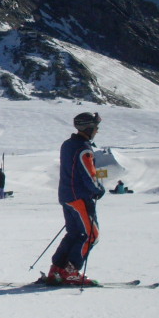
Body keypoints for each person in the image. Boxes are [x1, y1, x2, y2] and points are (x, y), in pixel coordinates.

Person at [47, 112, 104, 286]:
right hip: (80, 197)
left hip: (66, 196)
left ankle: (57, 269)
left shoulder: (68, 145)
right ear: (88, 128)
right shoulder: (84, 149)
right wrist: (97, 190)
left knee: (74, 233)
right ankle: (70, 271)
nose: (97, 131)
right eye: (95, 127)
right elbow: (88, 174)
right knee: (91, 235)